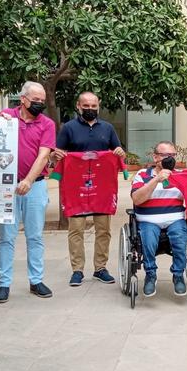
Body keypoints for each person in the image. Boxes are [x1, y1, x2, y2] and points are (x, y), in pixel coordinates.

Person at [54, 91, 125, 287]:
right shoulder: (68, 128)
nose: (90, 109)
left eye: (94, 106)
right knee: (75, 230)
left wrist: (119, 152)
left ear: (98, 106)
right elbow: (57, 156)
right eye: (86, 106)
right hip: (76, 189)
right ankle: (77, 270)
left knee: (104, 230)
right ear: (78, 106)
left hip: (101, 189)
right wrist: (57, 155)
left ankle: (100, 268)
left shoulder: (108, 128)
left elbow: (118, 153)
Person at [0, 81, 56, 303]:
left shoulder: (47, 124)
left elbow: (43, 155)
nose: (39, 104)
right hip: (6, 186)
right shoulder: (6, 116)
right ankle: (4, 283)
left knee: (35, 236)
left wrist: (29, 180)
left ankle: (36, 280)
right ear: (23, 99)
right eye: (35, 100)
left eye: (42, 101)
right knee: (6, 237)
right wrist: (1, 120)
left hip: (35, 185)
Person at [130, 141, 187, 297]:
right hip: (149, 220)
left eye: (173, 155)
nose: (170, 158)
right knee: (148, 237)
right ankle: (150, 274)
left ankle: (178, 275)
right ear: (155, 157)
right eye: (165, 155)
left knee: (180, 236)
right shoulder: (142, 174)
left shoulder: (181, 175)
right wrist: (156, 180)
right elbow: (137, 199)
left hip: (175, 218)